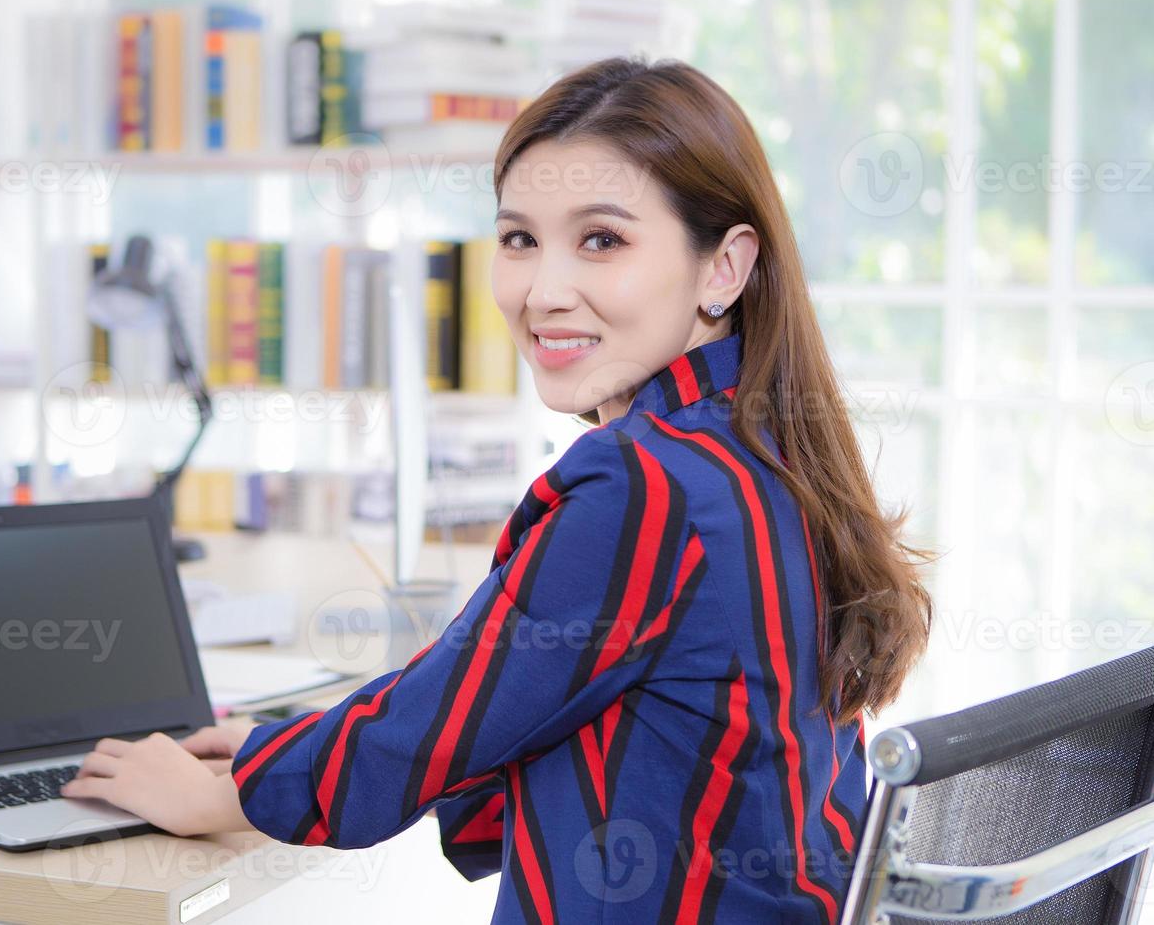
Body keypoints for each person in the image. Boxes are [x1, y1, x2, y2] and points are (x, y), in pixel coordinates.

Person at [60, 57, 935, 924]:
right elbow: (486, 692)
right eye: (519, 238)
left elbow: (432, 731)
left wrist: (229, 794)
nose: (542, 292)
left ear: (723, 268)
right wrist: (280, 751)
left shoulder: (643, 485)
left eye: (602, 239)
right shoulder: (766, 449)